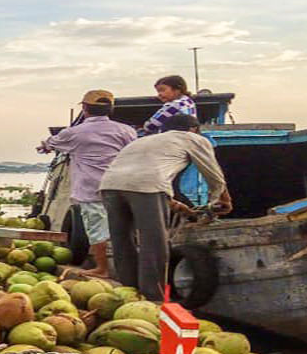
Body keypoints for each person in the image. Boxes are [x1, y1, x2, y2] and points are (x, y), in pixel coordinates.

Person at [99, 114, 232, 301]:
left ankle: (128, 294)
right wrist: (223, 199)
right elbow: (213, 174)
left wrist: (177, 205)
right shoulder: (193, 138)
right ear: (194, 128)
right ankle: (154, 298)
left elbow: (140, 178)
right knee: (154, 243)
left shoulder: (143, 141)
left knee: (122, 241)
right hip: (146, 187)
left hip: (109, 186)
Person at [39, 90, 136, 277]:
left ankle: (102, 268)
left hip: (90, 188)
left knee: (96, 228)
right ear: (110, 109)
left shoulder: (75, 133)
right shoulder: (126, 131)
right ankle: (127, 270)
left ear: (84, 109)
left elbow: (51, 143)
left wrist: (44, 146)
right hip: (120, 185)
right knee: (123, 228)